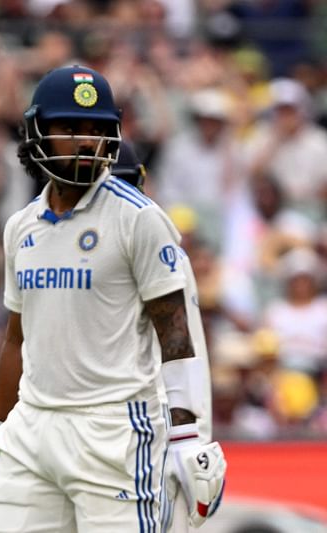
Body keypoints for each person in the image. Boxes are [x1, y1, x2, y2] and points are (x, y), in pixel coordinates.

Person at [0, 66, 225, 532]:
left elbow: (176, 336)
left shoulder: (139, 218)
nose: (87, 141)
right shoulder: (20, 227)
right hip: (34, 428)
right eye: (71, 128)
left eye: (98, 129)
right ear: (37, 132)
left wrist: (186, 435)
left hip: (115, 431)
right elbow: (16, 340)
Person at [112, 142, 216, 533]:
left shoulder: (156, 244)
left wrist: (188, 438)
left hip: (153, 435)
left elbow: (182, 353)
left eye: (123, 187)